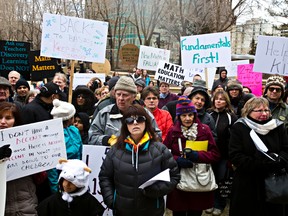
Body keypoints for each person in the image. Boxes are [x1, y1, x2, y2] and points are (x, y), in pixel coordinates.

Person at [99, 104, 179, 216]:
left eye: (140, 119)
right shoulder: (115, 150)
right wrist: (111, 200)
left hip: (152, 210)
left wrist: (157, 190)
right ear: (125, 125)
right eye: (130, 120)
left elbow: (174, 176)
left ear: (146, 122)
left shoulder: (160, 149)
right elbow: (105, 177)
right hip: (122, 210)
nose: (135, 123)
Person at [229, 97, 288, 216]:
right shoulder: (240, 127)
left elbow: (286, 149)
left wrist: (279, 161)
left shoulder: (278, 127)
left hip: (274, 180)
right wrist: (262, 164)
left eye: (266, 110)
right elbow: (235, 155)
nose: (264, 113)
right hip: (248, 181)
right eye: (259, 111)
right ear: (248, 112)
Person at [164, 96, 220, 216]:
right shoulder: (173, 132)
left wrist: (198, 156)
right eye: (184, 116)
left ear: (195, 115)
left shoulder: (204, 130)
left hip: (198, 180)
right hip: (179, 180)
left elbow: (215, 155)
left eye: (190, 115)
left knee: (195, 212)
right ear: (178, 117)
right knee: (178, 212)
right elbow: (165, 154)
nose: (187, 118)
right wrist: (177, 159)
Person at [88, 76, 162, 145]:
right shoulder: (104, 114)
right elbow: (92, 137)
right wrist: (107, 140)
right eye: (118, 94)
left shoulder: (145, 114)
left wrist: (143, 140)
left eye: (125, 95)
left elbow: (157, 136)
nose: (121, 98)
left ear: (134, 97)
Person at [1, 102, 38, 216]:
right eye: (0, 117)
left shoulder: (26, 141)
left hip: (23, 203)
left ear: (16, 120)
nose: (3, 122)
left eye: (8, 118)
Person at [207, 90, 238, 215]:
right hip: (208, 154)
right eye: (217, 98)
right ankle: (209, 203)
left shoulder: (232, 117)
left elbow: (234, 138)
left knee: (221, 179)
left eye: (222, 99)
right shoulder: (208, 114)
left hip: (224, 155)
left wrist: (231, 156)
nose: (219, 101)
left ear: (227, 102)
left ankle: (219, 204)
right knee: (209, 178)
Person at [37, 159, 104, 216]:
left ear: (80, 184)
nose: (66, 185)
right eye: (65, 180)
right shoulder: (52, 202)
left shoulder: (89, 202)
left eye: (72, 182)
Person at [49, 99, 83, 193]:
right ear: (70, 118)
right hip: (61, 176)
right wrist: (56, 188)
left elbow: (80, 152)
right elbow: (52, 166)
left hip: (76, 174)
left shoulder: (74, 130)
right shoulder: (53, 135)